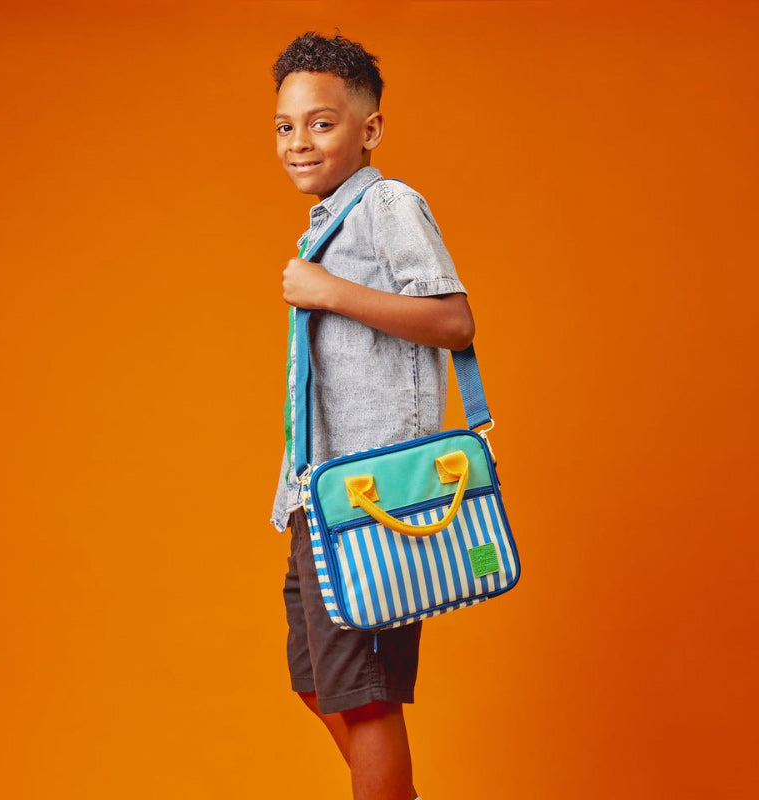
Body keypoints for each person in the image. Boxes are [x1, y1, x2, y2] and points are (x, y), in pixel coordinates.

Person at [269, 32, 475, 800]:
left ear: (370, 129)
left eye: (321, 123)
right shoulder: (328, 224)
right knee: (316, 681)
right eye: (285, 126)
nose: (299, 141)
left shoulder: (387, 205)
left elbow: (454, 321)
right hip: (319, 495)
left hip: (371, 499)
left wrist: (328, 291)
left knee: (364, 695)